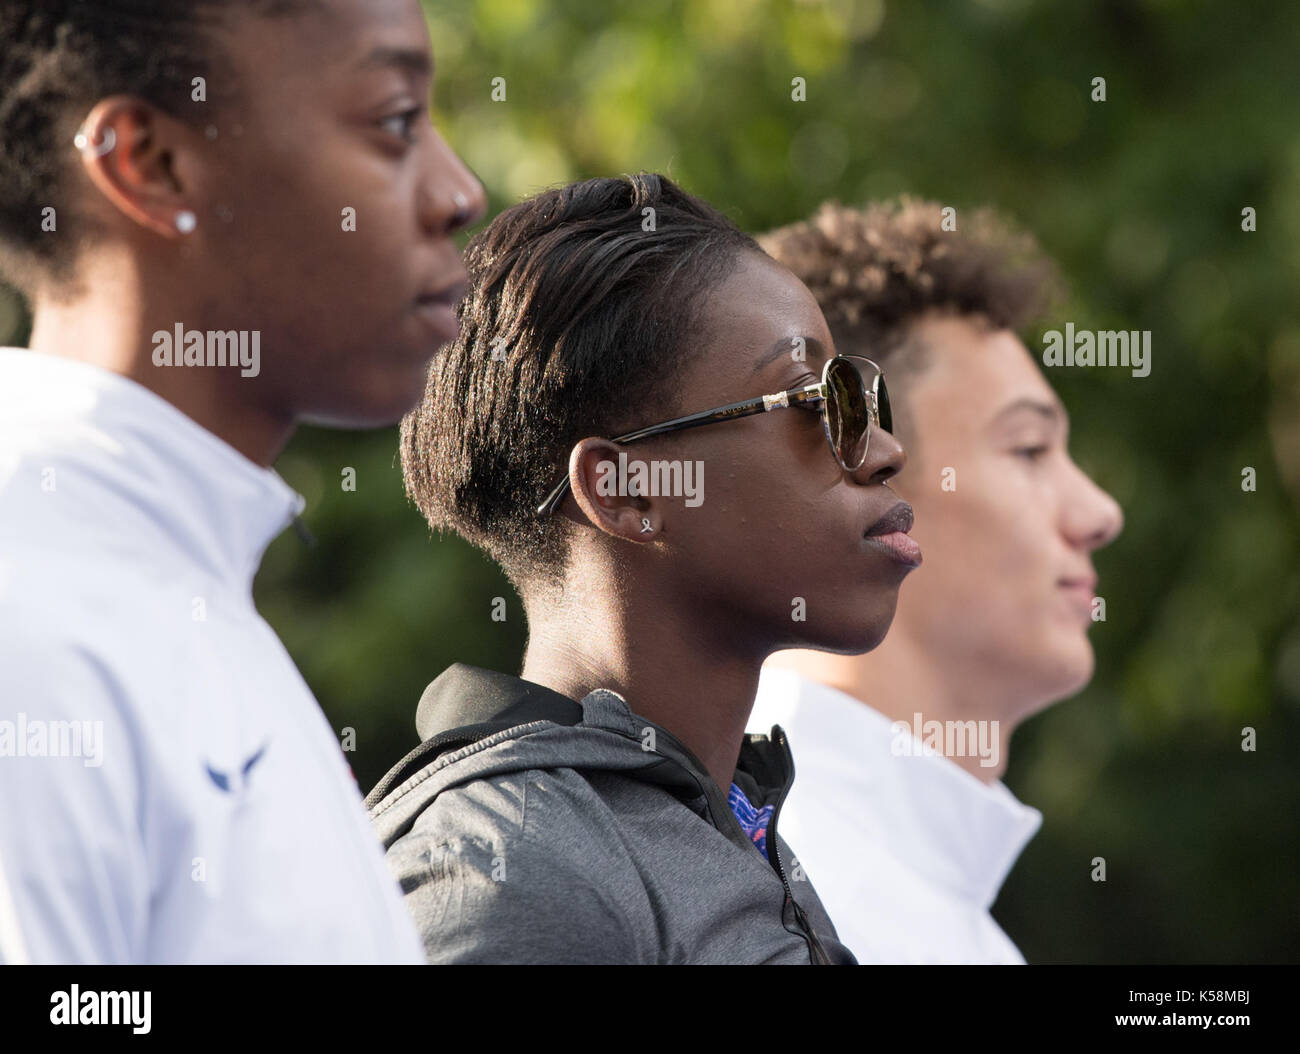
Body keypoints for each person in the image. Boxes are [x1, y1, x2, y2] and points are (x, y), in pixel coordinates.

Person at [0, 0, 486, 963]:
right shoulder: (34, 619)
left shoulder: (175, 584)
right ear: (150, 163)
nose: (459, 191)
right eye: (394, 122)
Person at [369, 172, 923, 964]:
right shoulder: (508, 872)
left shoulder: (725, 822)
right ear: (626, 490)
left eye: (863, 400)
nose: (884, 451)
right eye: (814, 400)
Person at [747, 198, 1125, 964]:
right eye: (1028, 449)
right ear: (860, 473)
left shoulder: (909, 903)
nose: (1099, 511)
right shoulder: (785, 904)